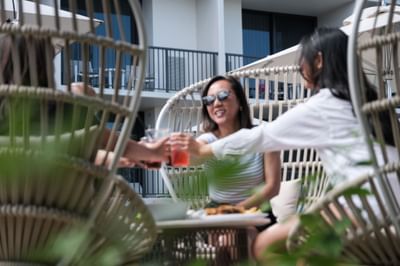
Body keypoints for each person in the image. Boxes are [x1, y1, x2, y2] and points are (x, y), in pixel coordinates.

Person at [170, 27, 398, 262]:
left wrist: (204, 151)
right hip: (392, 214)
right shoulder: (372, 104)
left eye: (302, 63)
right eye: (209, 100)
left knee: (264, 246)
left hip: (366, 213)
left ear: (318, 61)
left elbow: (264, 136)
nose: (301, 71)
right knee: (303, 252)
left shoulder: (325, 105)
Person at [0, 32, 168, 168]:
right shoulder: (67, 110)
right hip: (62, 206)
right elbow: (95, 139)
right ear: (46, 68)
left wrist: (117, 157)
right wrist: (150, 151)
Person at [196, 75, 281, 210]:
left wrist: (237, 211)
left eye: (223, 95)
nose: (216, 103)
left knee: (249, 231)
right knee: (228, 232)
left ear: (240, 102)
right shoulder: (207, 140)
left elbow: (272, 188)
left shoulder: (263, 137)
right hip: (218, 212)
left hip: (255, 210)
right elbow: (191, 156)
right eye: (209, 99)